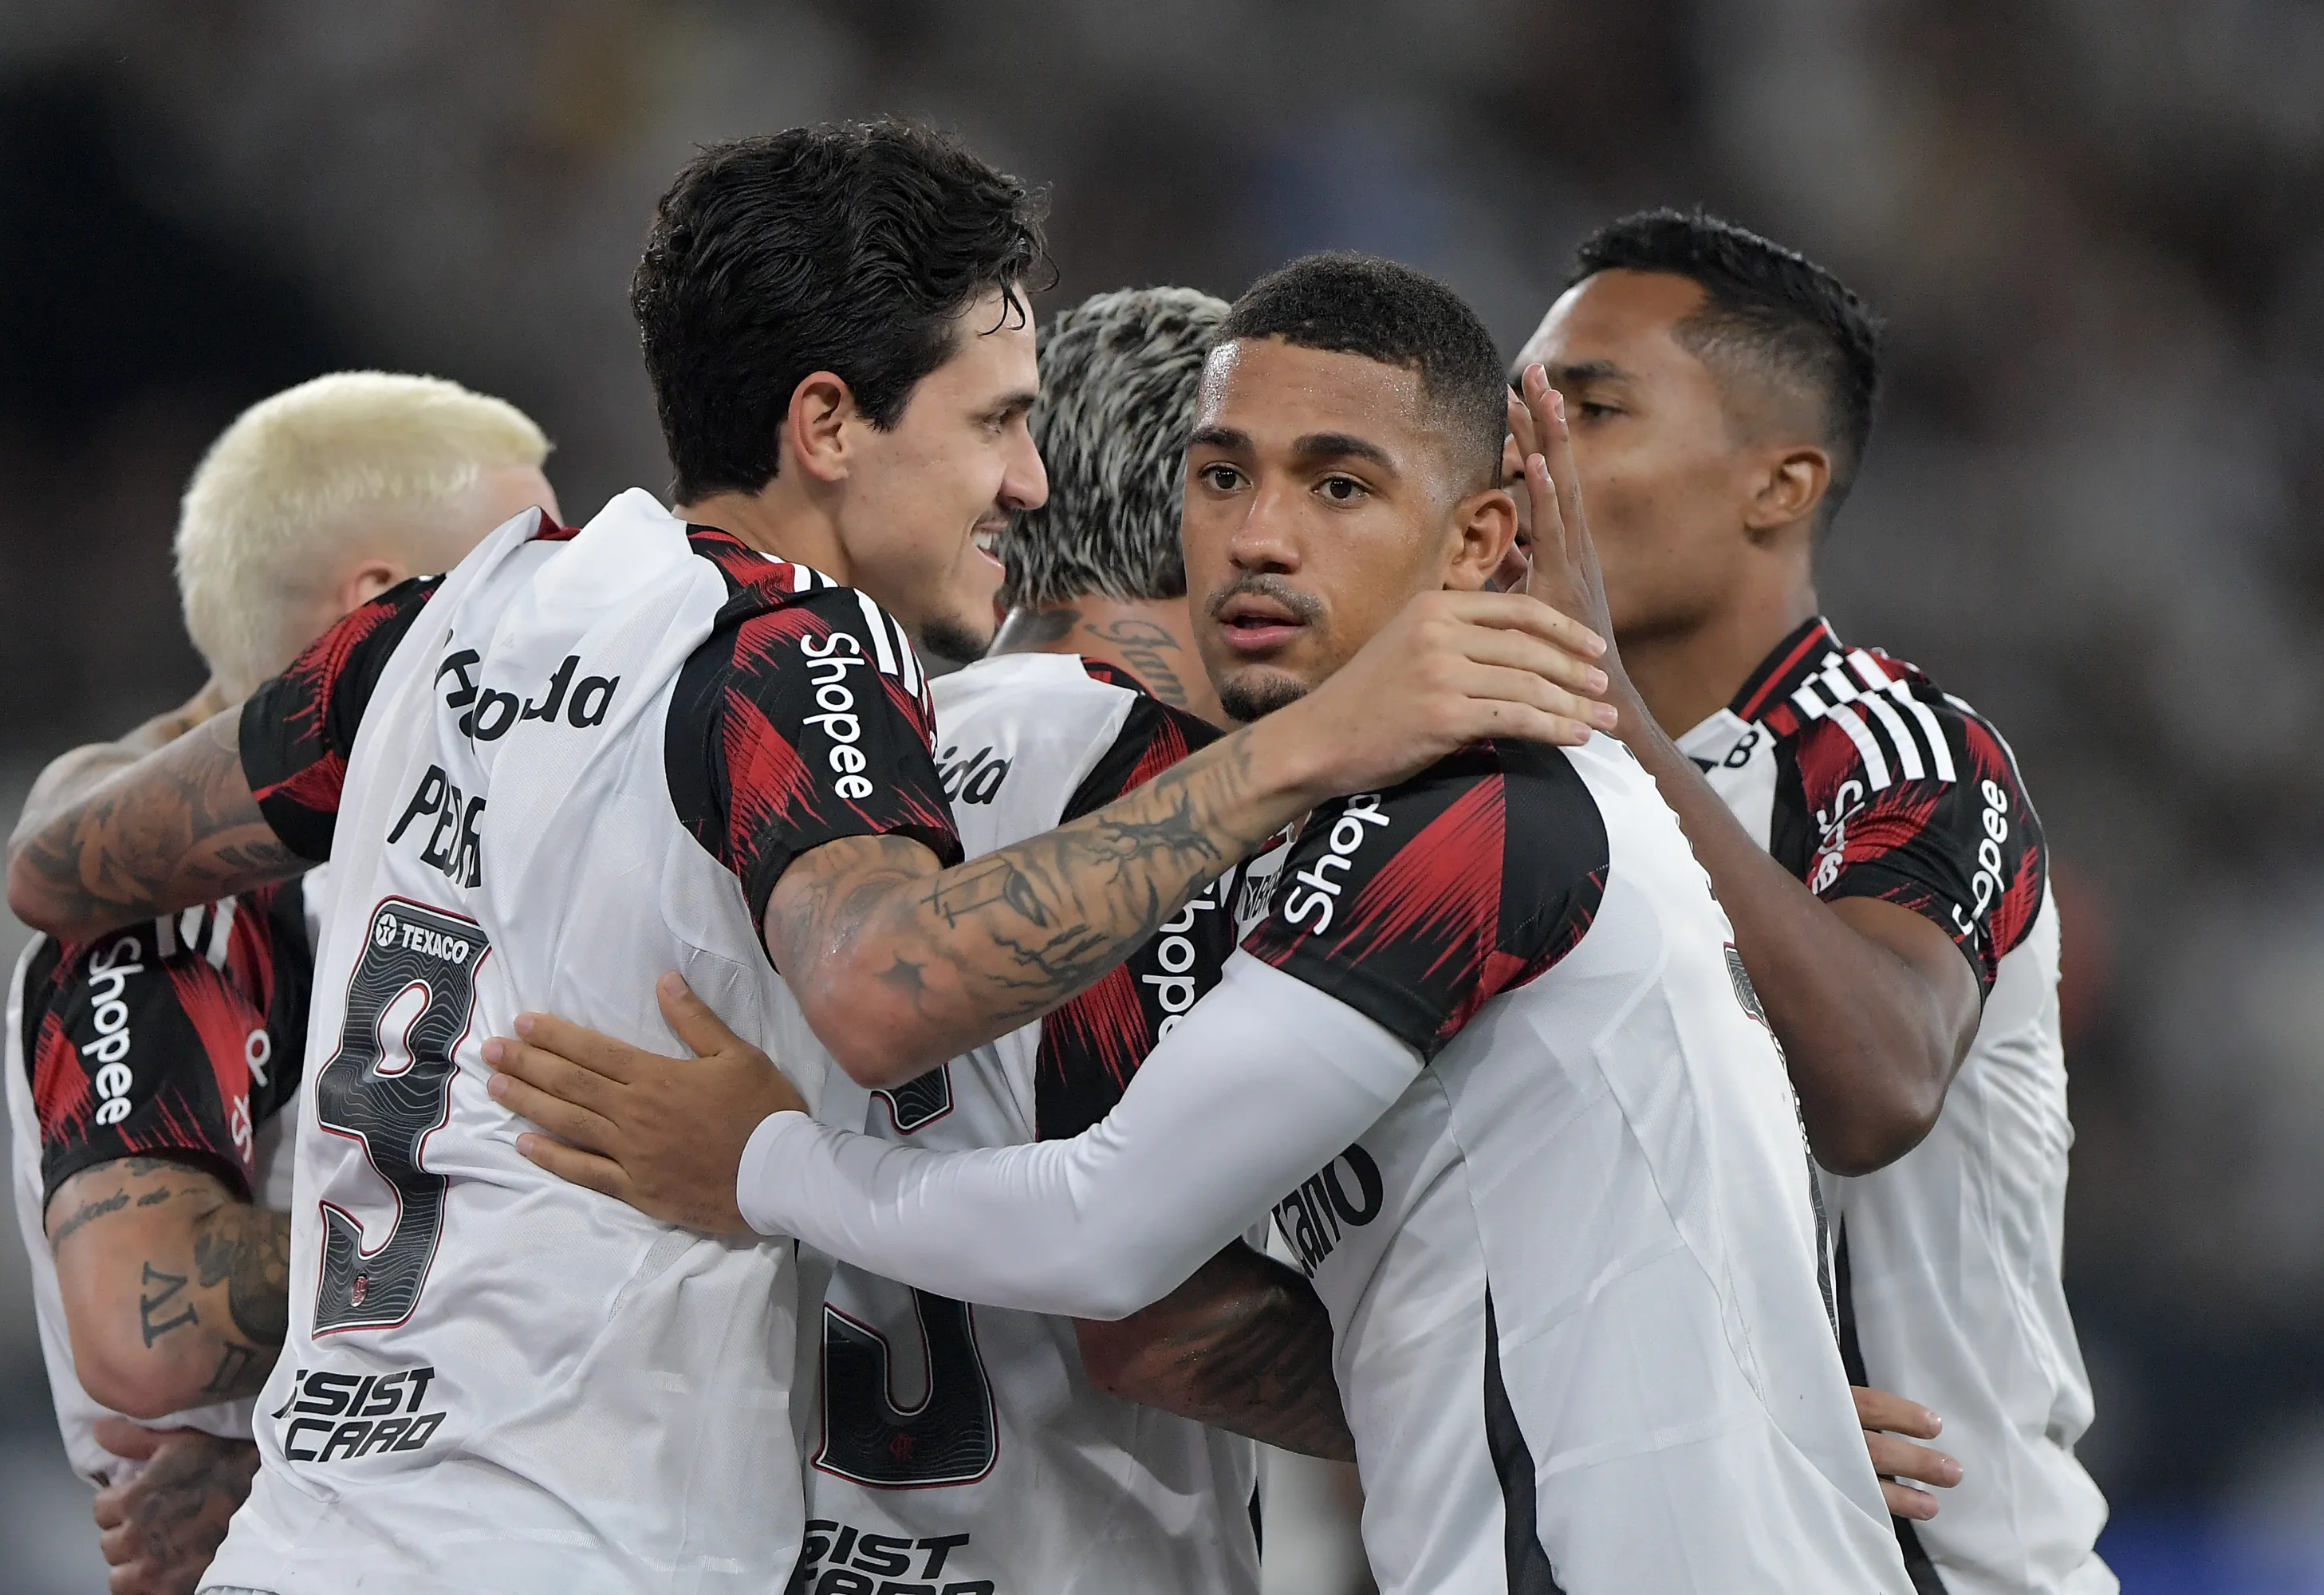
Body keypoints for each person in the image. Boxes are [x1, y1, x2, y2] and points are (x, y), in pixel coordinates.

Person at [5, 128, 1613, 1594]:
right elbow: (885, 989)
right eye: (992, 421)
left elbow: (68, 859)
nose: (1026, 481)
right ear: (829, 424)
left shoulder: (438, 625)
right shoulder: (791, 647)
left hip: (322, 1531)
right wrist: (1311, 747)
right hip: (589, 1547)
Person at [487, 252, 1916, 1593]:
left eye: (1338, 486)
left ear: (1484, 535)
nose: (1257, 537)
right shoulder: (1338, 814)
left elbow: (1111, 1239)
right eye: (1222, 476)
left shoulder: (1487, 817)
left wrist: (760, 1161)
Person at [1505, 209, 2109, 1595]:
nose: (1526, 461)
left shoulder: (1895, 755)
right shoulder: (1500, 793)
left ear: (1777, 486)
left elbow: (1878, 1083)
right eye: (1520, 416)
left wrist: (1612, 722)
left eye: (1588, 411)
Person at [785, 284, 1357, 1594]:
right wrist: (1536, 1412)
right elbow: (1166, 1330)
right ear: (1208, 517)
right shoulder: (1178, 796)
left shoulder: (841, 761)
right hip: (1056, 1551)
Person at [1, 372, 560, 1593]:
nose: (573, 627)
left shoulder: (453, 850)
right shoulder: (176, 906)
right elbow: (147, 1323)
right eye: (532, 578)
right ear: (386, 611)